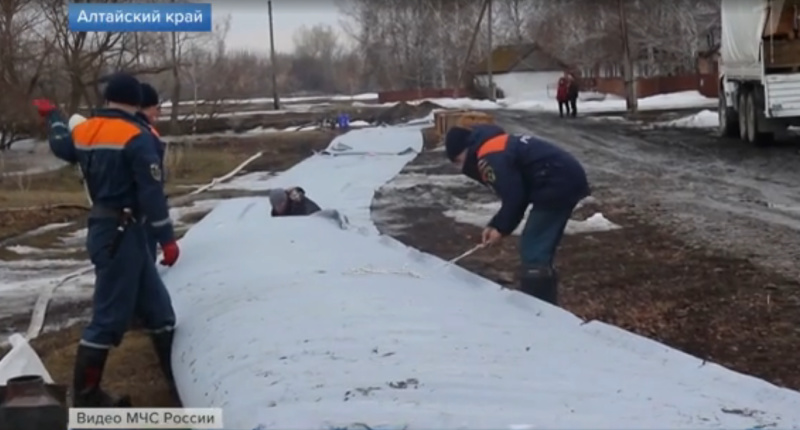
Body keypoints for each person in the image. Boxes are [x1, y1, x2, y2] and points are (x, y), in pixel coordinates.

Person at [32, 73, 180, 407]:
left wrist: (54, 117)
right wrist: (167, 237)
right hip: (124, 234)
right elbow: (151, 192)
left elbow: (61, 145)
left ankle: (178, 380)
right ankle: (87, 397)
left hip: (106, 229)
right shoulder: (139, 136)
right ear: (135, 102)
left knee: (159, 311)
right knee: (109, 318)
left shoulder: (85, 130)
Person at [443, 124, 590, 305]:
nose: (461, 168)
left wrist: (500, 227)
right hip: (559, 177)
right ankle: (542, 298)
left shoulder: (490, 156)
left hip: (557, 182)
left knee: (534, 247)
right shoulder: (494, 146)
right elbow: (516, 194)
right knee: (537, 243)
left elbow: (515, 197)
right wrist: (496, 225)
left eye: (458, 161)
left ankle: (539, 307)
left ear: (466, 150)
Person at [136, 82, 168, 262]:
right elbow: (151, 186)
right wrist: (166, 237)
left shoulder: (144, 131)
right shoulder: (143, 135)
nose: (158, 113)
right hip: (141, 217)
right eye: (156, 107)